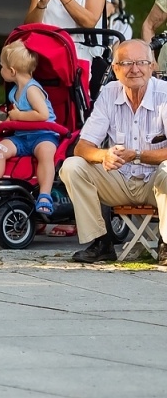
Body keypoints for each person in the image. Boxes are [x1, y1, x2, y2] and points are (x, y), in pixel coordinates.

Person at [57, 39, 167, 264]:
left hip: (158, 184)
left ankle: (166, 243)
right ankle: (101, 242)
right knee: (72, 166)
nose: (134, 69)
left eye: (141, 62)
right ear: (116, 69)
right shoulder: (109, 92)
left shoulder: (164, 94)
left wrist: (137, 155)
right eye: (126, 63)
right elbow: (82, 146)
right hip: (119, 181)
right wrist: (104, 155)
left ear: (152, 66)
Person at [0, 41, 60, 218]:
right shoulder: (14, 92)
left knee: (45, 153)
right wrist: (4, 124)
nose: (0, 70)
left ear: (12, 71)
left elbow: (42, 114)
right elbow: (13, 115)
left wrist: (17, 116)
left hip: (43, 135)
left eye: (2, 67)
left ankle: (44, 195)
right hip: (21, 137)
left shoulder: (32, 90)